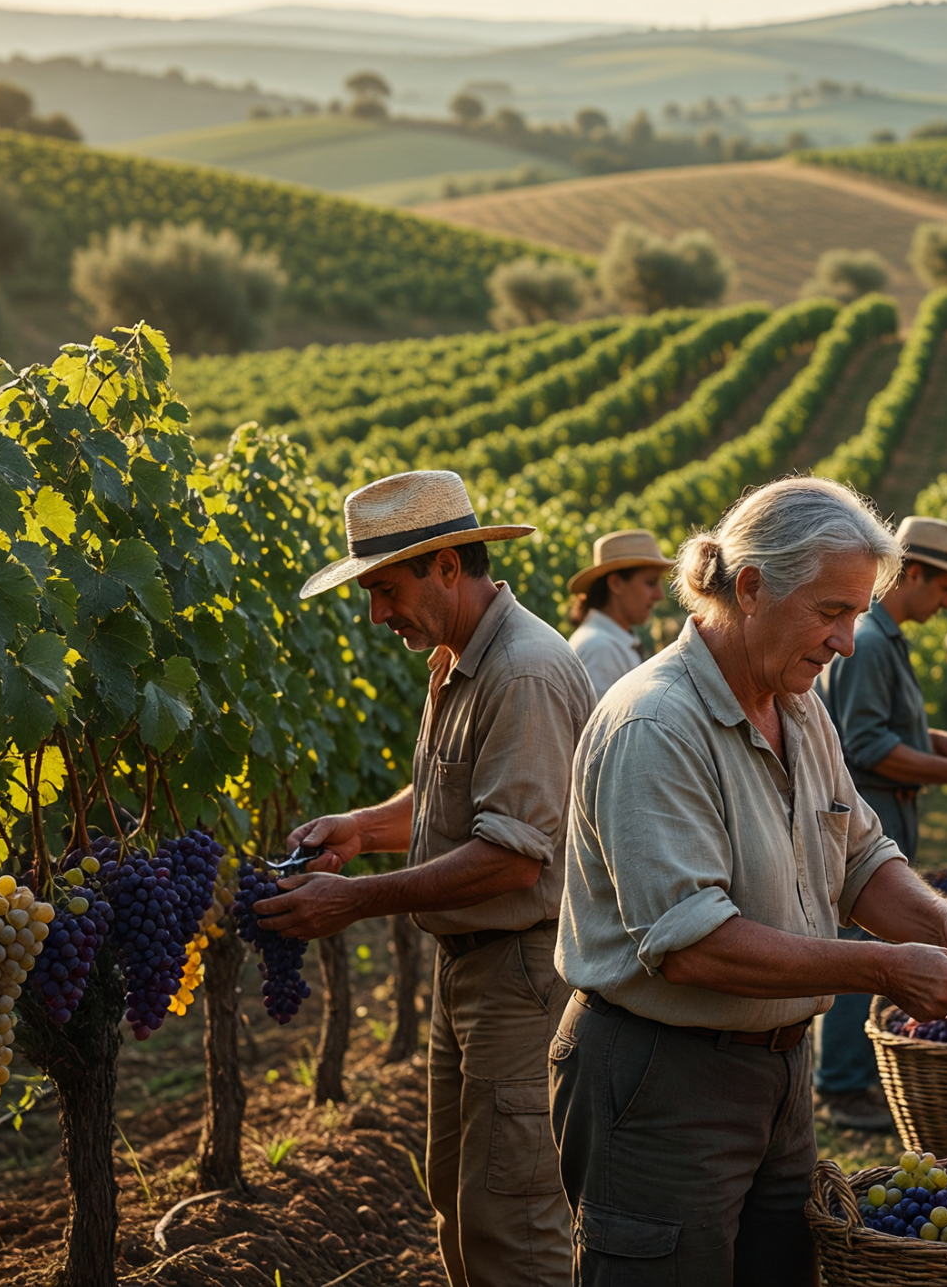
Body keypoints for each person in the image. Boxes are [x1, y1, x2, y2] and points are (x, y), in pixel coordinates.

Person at [551, 478, 947, 1284]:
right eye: (829, 611)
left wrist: (945, 925)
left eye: (856, 615)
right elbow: (694, 946)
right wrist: (882, 967)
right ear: (752, 586)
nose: (844, 640)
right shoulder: (655, 725)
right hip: (663, 1078)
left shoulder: (798, 706)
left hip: (776, 1070)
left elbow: (863, 858)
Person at [260, 469, 598, 1287]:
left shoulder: (522, 672)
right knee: (459, 1197)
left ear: (447, 565)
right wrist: (364, 830)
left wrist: (359, 900)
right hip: (473, 970)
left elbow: (515, 856)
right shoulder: (459, 659)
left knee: (513, 1224)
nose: (377, 614)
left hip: (521, 975)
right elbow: (453, 797)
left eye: (384, 589)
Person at [813, 515, 947, 1131]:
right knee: (864, 948)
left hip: (883, 809)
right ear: (912, 574)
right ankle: (843, 1083)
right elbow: (867, 743)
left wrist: (937, 742)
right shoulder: (869, 642)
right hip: (872, 808)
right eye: (944, 587)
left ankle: (850, 1074)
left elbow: (880, 724)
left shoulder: (885, 639)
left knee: (877, 944)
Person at [565, 528, 672, 697]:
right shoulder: (599, 649)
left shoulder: (610, 643)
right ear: (616, 584)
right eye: (651, 583)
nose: (659, 595)